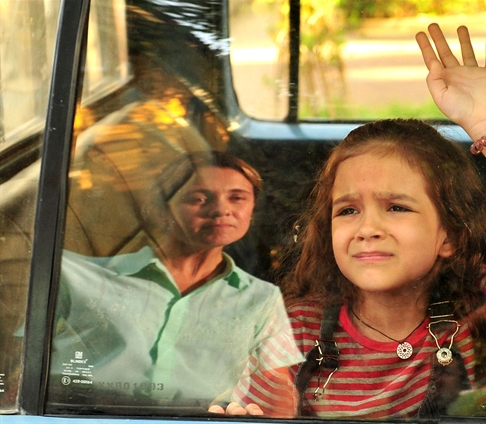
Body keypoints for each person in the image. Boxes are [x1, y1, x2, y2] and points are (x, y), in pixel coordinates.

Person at [218, 23, 486, 418]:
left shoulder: (473, 306)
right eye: (348, 210)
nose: (368, 229)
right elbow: (260, 411)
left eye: (397, 207)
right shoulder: (296, 329)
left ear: (447, 235)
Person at [48, 151, 302, 408]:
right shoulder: (77, 277)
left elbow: (276, 390)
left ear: (251, 210)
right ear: (161, 211)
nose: (221, 210)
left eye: (237, 198)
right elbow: (23, 368)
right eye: (198, 198)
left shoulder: (262, 298)